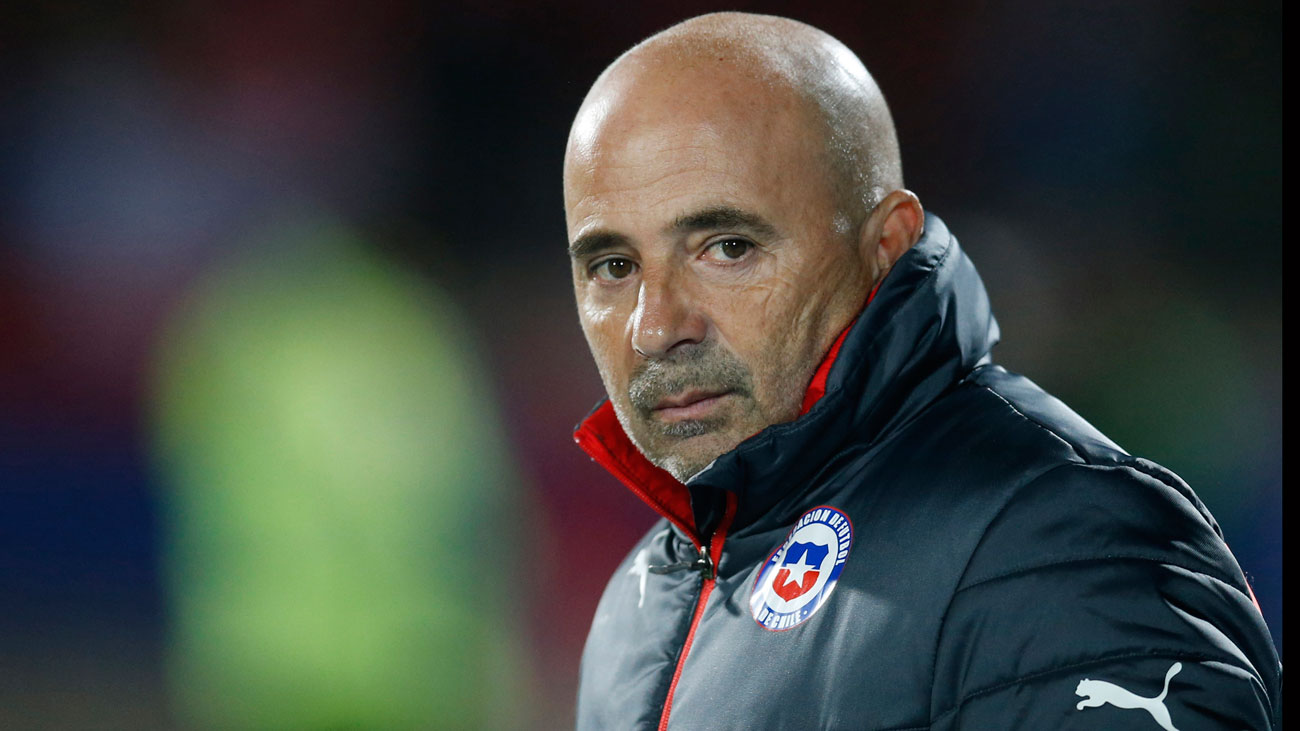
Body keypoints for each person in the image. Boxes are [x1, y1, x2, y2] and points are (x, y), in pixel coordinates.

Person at [564, 12, 1281, 730]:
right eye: (614, 266)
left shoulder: (1061, 540)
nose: (655, 328)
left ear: (885, 244)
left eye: (727, 248)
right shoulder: (642, 599)